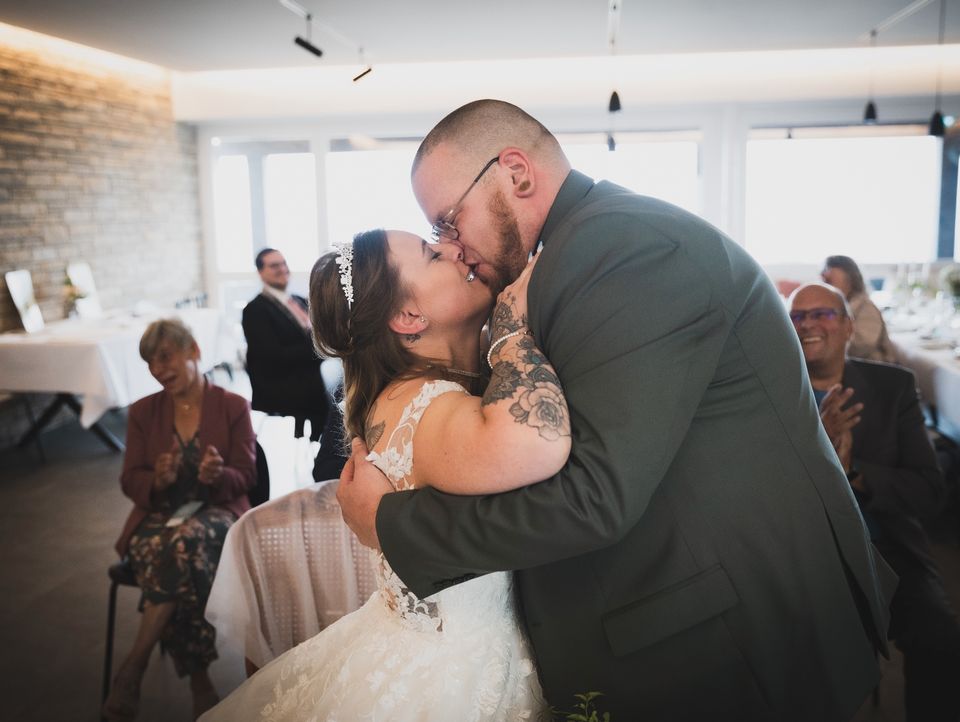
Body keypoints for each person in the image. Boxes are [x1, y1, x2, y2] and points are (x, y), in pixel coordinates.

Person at [337, 99, 897, 721]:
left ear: (516, 173)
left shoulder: (625, 251)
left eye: (449, 220)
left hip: (732, 639)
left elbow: (595, 496)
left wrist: (393, 525)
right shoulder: (572, 252)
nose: (454, 247)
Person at [200, 229, 569, 721]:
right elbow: (539, 441)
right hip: (451, 681)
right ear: (409, 317)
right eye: (434, 254)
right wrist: (509, 333)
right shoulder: (429, 406)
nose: (456, 249)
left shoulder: (407, 390)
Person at [789, 282, 960, 721]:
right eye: (796, 316)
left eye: (822, 314)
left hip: (889, 547)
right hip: (805, 554)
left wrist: (853, 471)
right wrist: (820, 458)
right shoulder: (775, 397)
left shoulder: (892, 388)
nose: (807, 323)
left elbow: (929, 492)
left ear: (849, 326)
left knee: (939, 636)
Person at [103, 318, 256, 722]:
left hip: (219, 515)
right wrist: (157, 479)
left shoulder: (232, 406)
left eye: (165, 357)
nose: (158, 370)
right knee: (174, 550)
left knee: (183, 544)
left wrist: (218, 475)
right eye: (150, 363)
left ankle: (134, 666)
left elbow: (248, 476)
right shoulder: (143, 412)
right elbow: (129, 478)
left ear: (194, 352)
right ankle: (199, 683)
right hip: (161, 515)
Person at [242, 248, 329, 440]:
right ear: (260, 272)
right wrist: (321, 348)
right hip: (281, 383)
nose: (282, 269)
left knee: (342, 379)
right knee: (335, 391)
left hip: (308, 372)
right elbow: (272, 357)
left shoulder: (299, 300)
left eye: (284, 264)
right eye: (274, 266)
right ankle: (329, 447)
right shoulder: (255, 310)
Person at [822, 254, 897, 363]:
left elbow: (863, 345)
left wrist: (825, 346)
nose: (824, 275)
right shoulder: (832, 306)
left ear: (849, 279)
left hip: (872, 369)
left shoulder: (865, 306)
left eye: (829, 281)